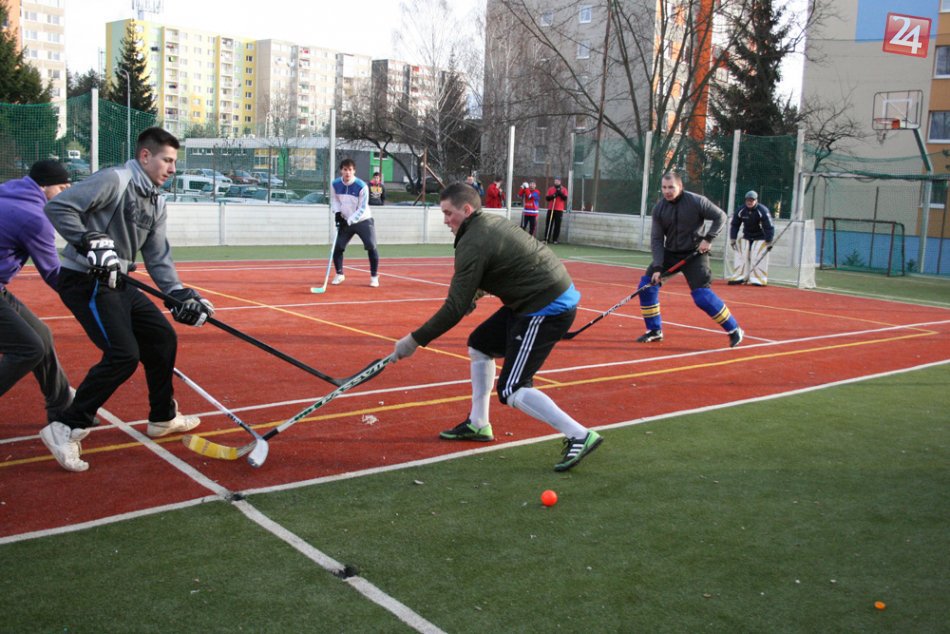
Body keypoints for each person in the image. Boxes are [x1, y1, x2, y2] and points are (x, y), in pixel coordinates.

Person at [391, 183, 603, 472]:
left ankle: (579, 434)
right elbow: (503, 266)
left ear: (466, 210)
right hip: (531, 298)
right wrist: (473, 295)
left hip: (545, 306)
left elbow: (454, 308)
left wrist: (414, 341)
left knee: (513, 388)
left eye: (448, 213)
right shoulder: (485, 223)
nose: (445, 221)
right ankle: (479, 424)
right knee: (480, 344)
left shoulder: (474, 241)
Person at [41, 127, 214, 472]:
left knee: (161, 337)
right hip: (85, 279)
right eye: (166, 160)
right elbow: (59, 208)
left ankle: (163, 417)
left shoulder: (156, 201)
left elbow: (157, 255)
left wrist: (178, 294)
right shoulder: (115, 180)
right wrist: (90, 241)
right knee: (123, 354)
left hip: (118, 281)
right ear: (145, 156)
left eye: (174, 162)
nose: (172, 168)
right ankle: (66, 426)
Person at [0, 160, 73, 427]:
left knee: (42, 335)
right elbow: (54, 274)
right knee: (29, 347)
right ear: (43, 187)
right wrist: (91, 297)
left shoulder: (9, 190)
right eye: (62, 188)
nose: (65, 194)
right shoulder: (34, 217)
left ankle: (62, 407)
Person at [635, 171, 743, 348]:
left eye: (671, 187)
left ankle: (734, 329)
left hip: (694, 254)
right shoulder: (659, 209)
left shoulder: (696, 201)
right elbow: (656, 240)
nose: (667, 191)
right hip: (670, 253)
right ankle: (654, 331)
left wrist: (708, 238)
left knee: (701, 296)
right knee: (646, 287)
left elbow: (720, 216)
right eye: (664, 187)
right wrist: (657, 267)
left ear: (680, 187)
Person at [330, 158, 380, 287]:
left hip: (363, 220)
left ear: (354, 171)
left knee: (371, 245)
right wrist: (336, 213)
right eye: (345, 169)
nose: (348, 172)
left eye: (350, 170)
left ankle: (374, 277)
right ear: (341, 170)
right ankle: (339, 274)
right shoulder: (335, 184)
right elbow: (335, 200)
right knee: (338, 247)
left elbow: (362, 208)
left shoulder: (361, 186)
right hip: (345, 220)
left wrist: (350, 220)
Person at [728, 190, 775, 286]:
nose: (749, 202)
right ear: (745, 200)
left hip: (760, 237)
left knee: (757, 257)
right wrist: (733, 238)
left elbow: (769, 226)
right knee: (740, 255)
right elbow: (735, 224)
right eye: (748, 200)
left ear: (756, 200)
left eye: (752, 200)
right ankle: (739, 277)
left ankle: (758, 279)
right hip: (747, 236)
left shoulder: (762, 211)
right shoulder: (741, 210)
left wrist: (769, 241)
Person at [543, 178, 569, 244]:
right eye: (555, 181)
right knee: (549, 224)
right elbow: (547, 198)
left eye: (557, 181)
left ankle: (555, 239)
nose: (556, 182)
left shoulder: (564, 189)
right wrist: (553, 195)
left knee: (557, 225)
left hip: (559, 210)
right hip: (551, 209)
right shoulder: (551, 189)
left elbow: (564, 198)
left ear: (560, 182)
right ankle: (546, 238)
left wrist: (559, 193)